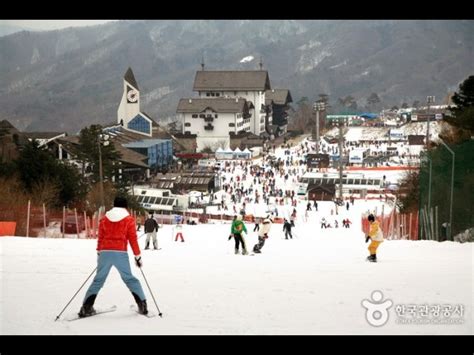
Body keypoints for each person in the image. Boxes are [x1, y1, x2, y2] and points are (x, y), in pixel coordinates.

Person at [78, 196, 148, 317]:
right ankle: (142, 305)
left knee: (98, 280)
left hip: (105, 252)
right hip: (120, 253)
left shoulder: (104, 219)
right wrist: (137, 256)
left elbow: (101, 238)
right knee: (129, 279)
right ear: (125, 206)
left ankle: (86, 307)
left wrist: (99, 253)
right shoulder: (128, 219)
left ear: (114, 205)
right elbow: (133, 239)